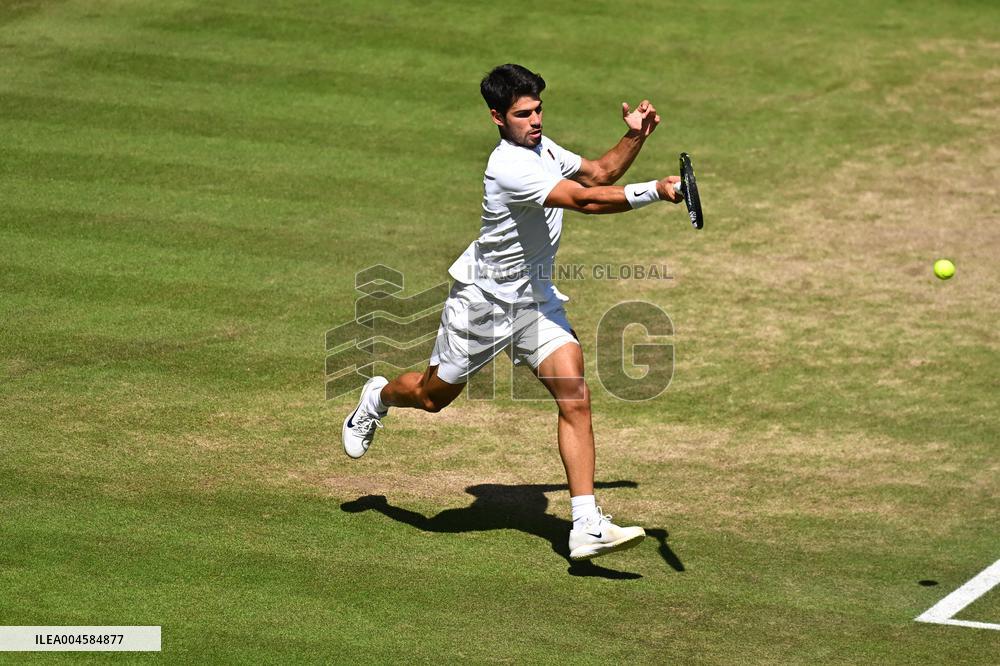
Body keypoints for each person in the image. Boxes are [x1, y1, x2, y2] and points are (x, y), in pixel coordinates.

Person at [342, 63, 683, 561]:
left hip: (536, 304)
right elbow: (586, 201)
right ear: (497, 117)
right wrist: (654, 189)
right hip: (481, 306)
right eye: (523, 113)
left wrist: (633, 139)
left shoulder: (542, 149)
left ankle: (586, 522)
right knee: (434, 397)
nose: (536, 119)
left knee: (576, 396)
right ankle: (377, 397)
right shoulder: (510, 166)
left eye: (539, 109)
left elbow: (600, 173)